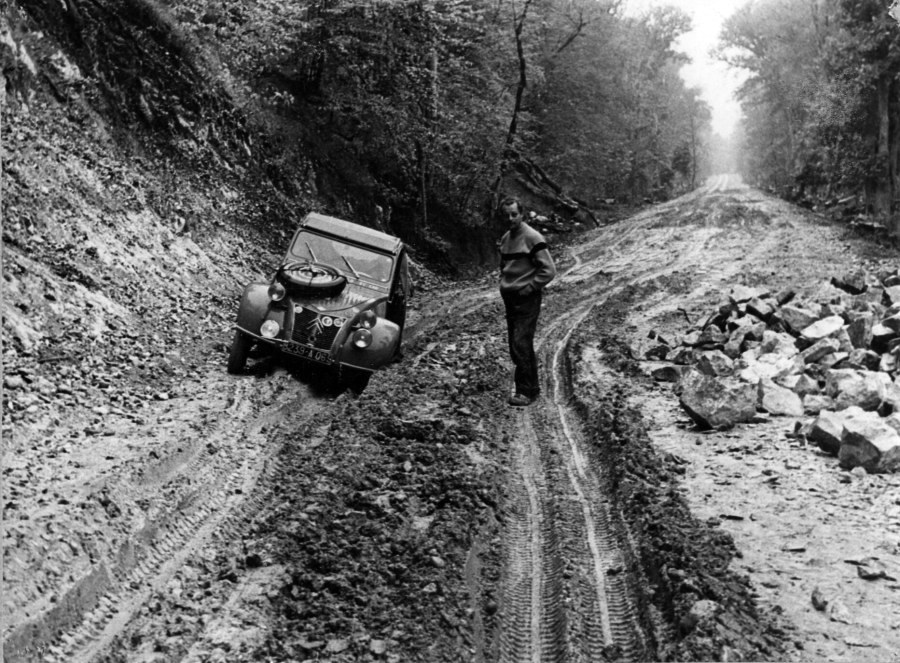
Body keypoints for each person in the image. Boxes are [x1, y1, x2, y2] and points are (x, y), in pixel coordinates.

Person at [497, 196, 556, 406]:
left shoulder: (533, 237)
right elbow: (503, 265)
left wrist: (530, 287)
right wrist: (504, 283)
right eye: (506, 215)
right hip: (510, 297)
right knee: (515, 344)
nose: (510, 219)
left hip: (527, 297)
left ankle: (525, 392)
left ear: (522, 214)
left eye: (514, 214)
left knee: (521, 342)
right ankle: (532, 387)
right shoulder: (505, 238)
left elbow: (549, 270)